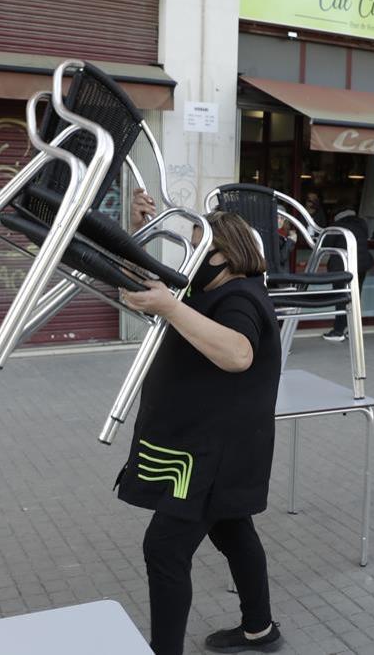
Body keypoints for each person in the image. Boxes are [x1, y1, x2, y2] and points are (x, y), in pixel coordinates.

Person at [120, 191, 283, 655]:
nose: (191, 257)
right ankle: (260, 630)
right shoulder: (204, 292)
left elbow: (238, 354)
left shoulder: (240, 297)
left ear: (225, 254)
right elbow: (137, 289)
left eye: (198, 246)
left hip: (213, 454)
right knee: (233, 530)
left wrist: (170, 307)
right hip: (216, 447)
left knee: (165, 549)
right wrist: (139, 231)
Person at [323, 208, 374, 342]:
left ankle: (338, 331)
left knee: (341, 297)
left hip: (342, 266)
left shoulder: (337, 226)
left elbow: (325, 244)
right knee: (355, 298)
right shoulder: (362, 224)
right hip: (361, 265)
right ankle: (352, 330)